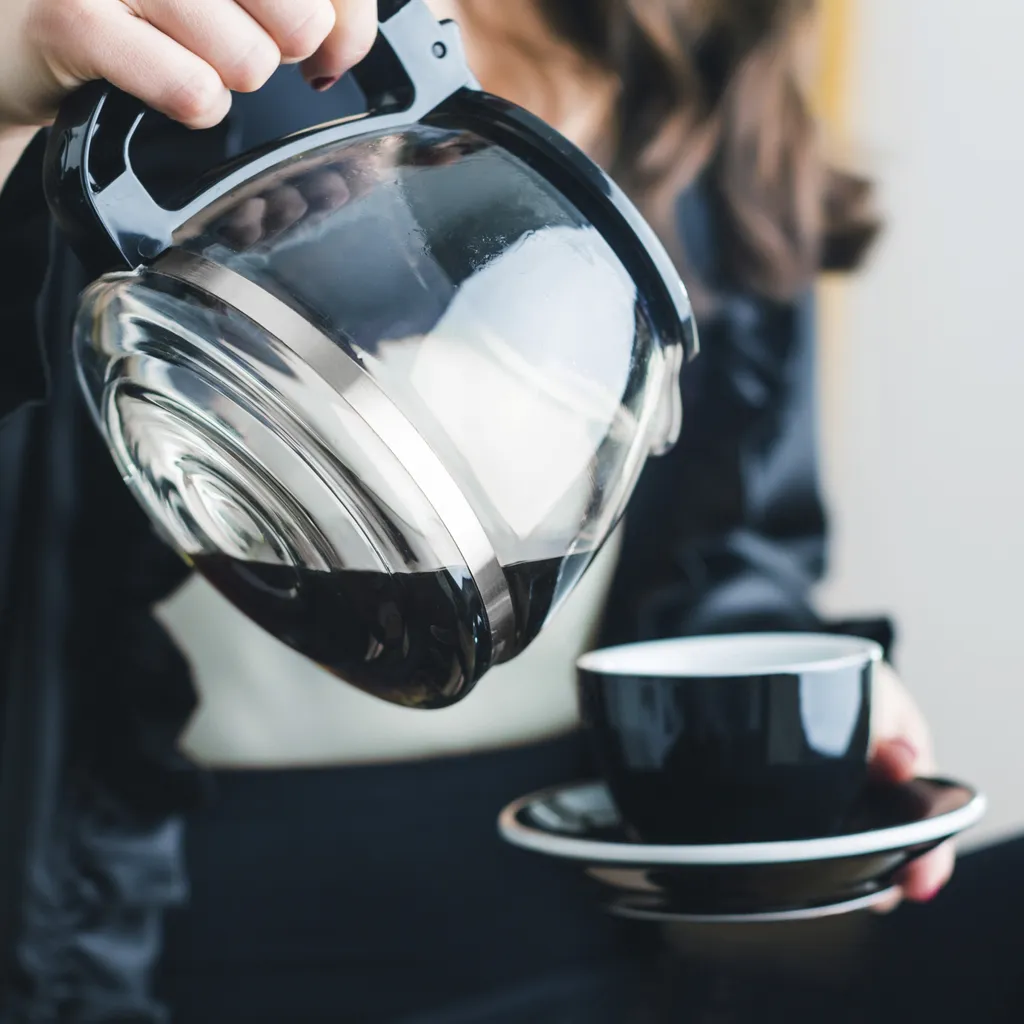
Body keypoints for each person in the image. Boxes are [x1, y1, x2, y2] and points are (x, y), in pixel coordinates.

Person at [0, 1, 954, 1021]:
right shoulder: (171, 37)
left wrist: (790, 708)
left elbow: (730, 555)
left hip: (580, 932)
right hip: (140, 923)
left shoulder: (713, 68)